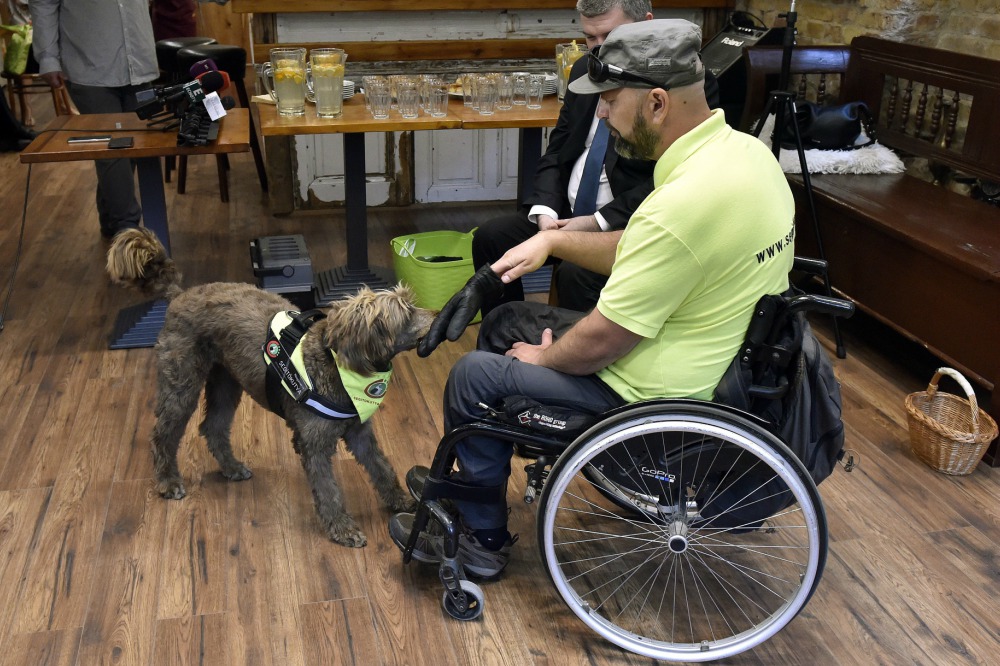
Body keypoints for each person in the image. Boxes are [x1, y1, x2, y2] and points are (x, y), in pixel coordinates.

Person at [390, 19, 796, 579]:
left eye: (609, 100)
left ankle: (481, 538)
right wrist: (552, 239)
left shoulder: (682, 204)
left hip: (656, 402)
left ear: (656, 103)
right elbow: (642, 248)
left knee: (474, 378)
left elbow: (606, 335)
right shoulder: (746, 158)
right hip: (714, 362)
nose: (601, 115)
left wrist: (547, 358)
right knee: (507, 319)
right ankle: (483, 472)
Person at [472, 0, 720, 315]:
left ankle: (572, 354)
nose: (599, 49)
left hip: (622, 220)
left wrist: (596, 222)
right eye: (591, 38)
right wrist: (546, 211)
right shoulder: (582, 69)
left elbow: (672, 177)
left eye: (610, 34)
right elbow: (559, 146)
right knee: (491, 238)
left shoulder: (686, 82)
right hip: (565, 212)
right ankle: (507, 334)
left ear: (646, 22)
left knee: (576, 274)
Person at [30, 0, 159, 239]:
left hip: (139, 61)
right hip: (89, 65)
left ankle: (111, 220)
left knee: (132, 147)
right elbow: (43, 3)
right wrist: (48, 57)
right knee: (112, 147)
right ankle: (128, 233)